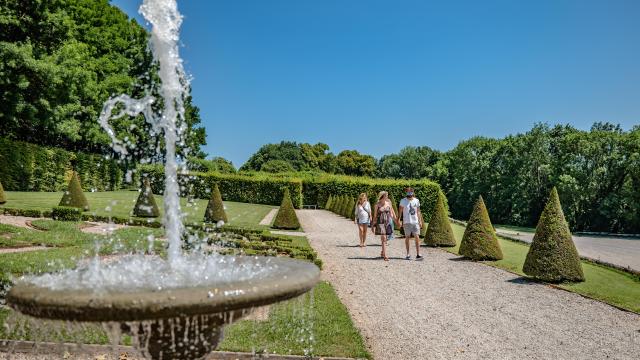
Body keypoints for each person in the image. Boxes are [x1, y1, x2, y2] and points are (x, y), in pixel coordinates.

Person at [371, 191, 399, 261]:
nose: (387, 197)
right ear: (382, 197)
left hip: (387, 223)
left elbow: (392, 214)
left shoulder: (389, 204)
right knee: (383, 237)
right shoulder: (377, 205)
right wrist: (372, 225)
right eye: (386, 196)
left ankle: (383, 252)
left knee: (385, 239)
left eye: (387, 195)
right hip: (380, 223)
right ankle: (385, 255)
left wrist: (397, 222)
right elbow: (375, 216)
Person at [398, 187, 424, 260]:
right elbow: (400, 211)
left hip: (415, 222)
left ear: (412, 192)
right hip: (406, 222)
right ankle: (408, 254)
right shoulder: (403, 201)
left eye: (410, 192)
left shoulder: (416, 201)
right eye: (407, 192)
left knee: (417, 237)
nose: (409, 193)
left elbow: (418, 211)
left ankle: (418, 254)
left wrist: (420, 221)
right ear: (406, 192)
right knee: (407, 237)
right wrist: (399, 220)